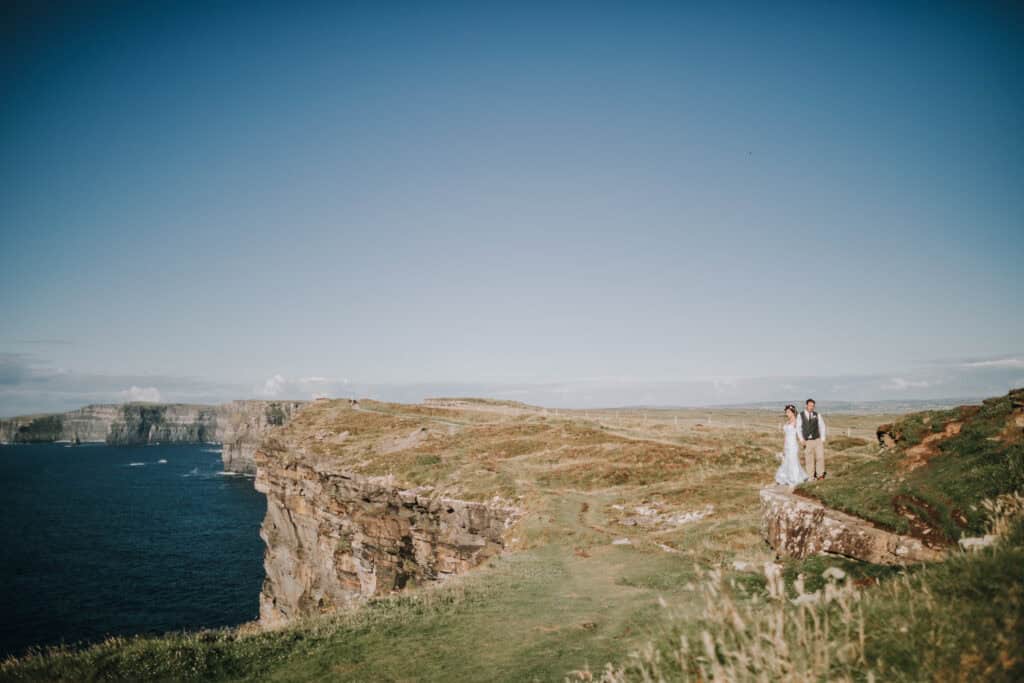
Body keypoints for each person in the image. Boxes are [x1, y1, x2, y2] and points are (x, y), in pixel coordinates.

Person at [775, 404, 810, 486]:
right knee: (786, 462)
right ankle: (785, 478)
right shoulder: (787, 422)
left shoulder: (796, 422)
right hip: (787, 445)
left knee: (793, 462)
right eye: (786, 412)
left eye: (788, 412)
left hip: (793, 445)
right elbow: (785, 436)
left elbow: (799, 433)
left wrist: (802, 442)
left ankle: (795, 479)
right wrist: (783, 447)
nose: (787, 414)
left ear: (793, 412)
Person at [797, 398, 827, 480]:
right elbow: (798, 428)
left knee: (820, 457)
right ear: (806, 405)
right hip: (807, 441)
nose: (811, 407)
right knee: (809, 459)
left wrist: (823, 438)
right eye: (810, 405)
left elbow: (822, 426)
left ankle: (820, 475)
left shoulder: (817, 415)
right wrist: (801, 439)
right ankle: (810, 476)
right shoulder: (800, 415)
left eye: (813, 406)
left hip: (817, 440)